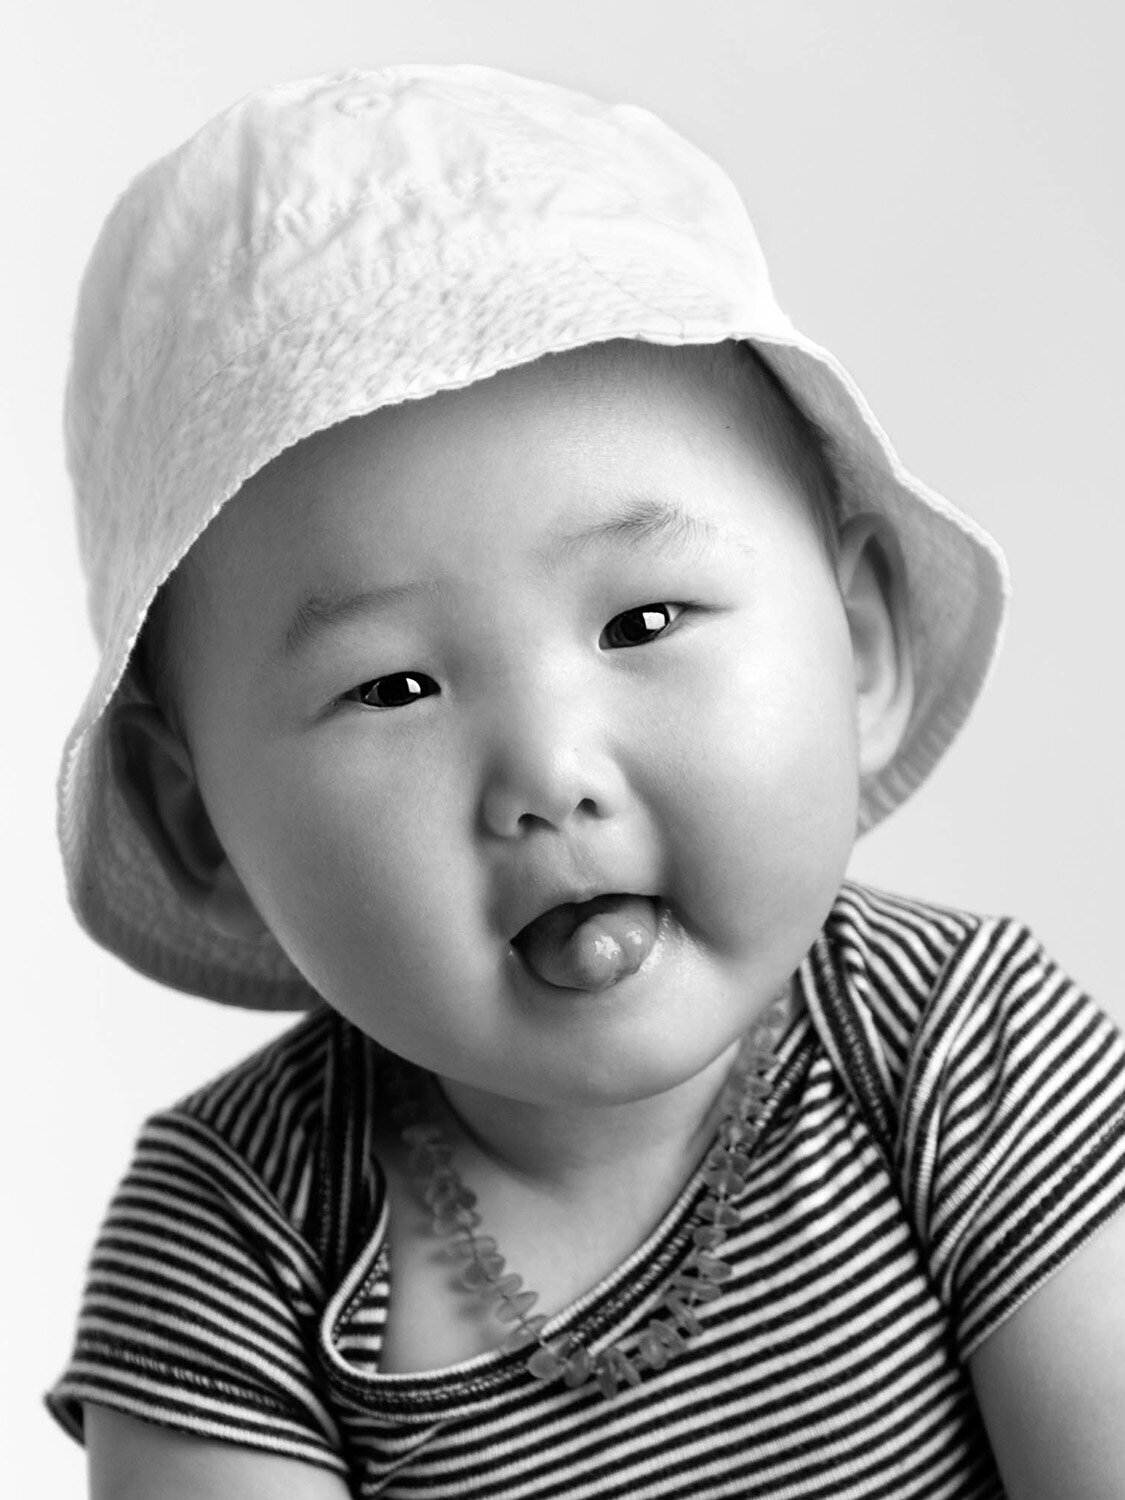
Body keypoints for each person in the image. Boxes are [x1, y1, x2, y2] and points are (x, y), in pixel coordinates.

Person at [45, 65, 1125, 1500]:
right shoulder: (234, 1243)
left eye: (642, 623)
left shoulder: (958, 1054)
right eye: (392, 688)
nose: (549, 778)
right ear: (200, 823)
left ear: (855, 643)